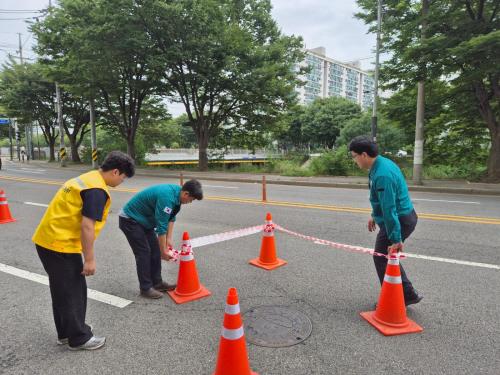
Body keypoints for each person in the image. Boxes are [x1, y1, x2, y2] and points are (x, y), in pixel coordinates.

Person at [32, 151, 135, 350]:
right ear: (115, 171)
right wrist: (89, 260)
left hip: (48, 239)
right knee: (73, 291)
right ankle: (79, 338)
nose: (122, 181)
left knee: (62, 289)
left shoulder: (88, 178)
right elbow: (87, 226)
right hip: (60, 244)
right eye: (123, 177)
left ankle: (66, 332)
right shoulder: (96, 190)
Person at [348, 136, 422, 306]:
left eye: (354, 156)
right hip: (401, 218)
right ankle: (406, 295)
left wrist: (396, 239)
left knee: (381, 257)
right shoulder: (380, 164)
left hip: (399, 220)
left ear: (364, 155)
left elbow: (390, 210)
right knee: (386, 256)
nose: (354, 160)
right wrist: (375, 214)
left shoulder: (382, 174)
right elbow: (382, 200)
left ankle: (397, 298)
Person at [119, 180, 203, 299]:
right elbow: (161, 226)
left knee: (155, 251)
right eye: (191, 199)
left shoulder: (177, 196)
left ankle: (157, 283)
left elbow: (171, 217)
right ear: (186, 194)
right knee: (144, 253)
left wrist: (168, 239)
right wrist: (164, 251)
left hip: (144, 221)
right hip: (130, 219)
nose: (190, 202)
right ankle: (145, 288)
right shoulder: (167, 198)